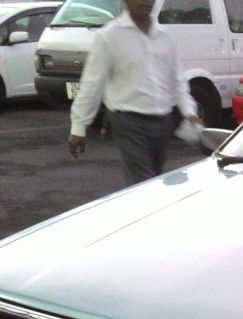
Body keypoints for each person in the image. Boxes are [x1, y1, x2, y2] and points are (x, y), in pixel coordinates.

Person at [67, 0, 202, 186]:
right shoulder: (109, 36)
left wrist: (189, 112)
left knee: (154, 179)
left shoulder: (165, 37)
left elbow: (178, 80)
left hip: (163, 122)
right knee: (143, 183)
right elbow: (92, 83)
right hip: (128, 122)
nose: (147, 2)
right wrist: (78, 127)